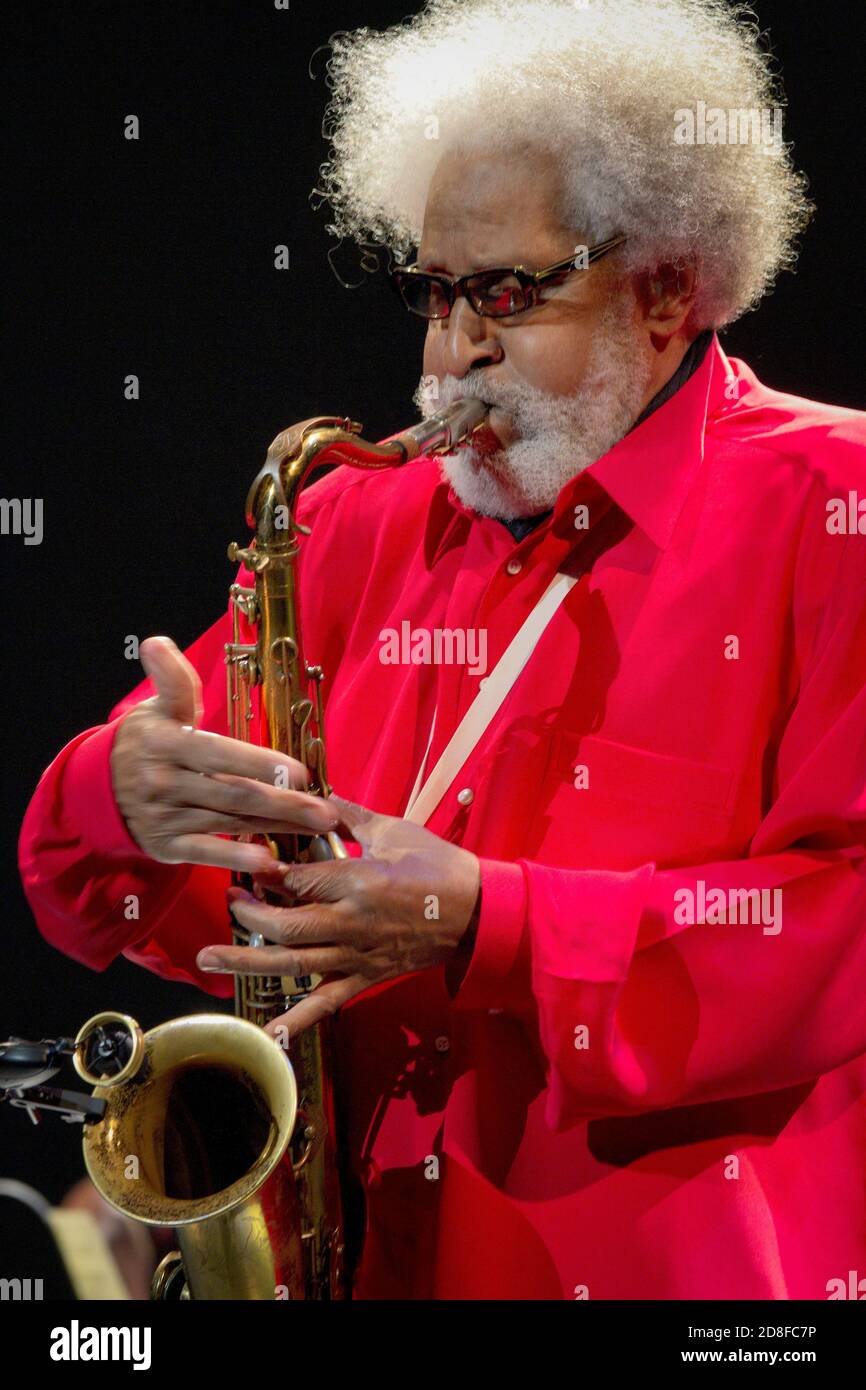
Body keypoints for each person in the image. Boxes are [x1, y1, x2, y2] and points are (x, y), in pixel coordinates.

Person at [19, 0, 866, 1299]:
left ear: (664, 283)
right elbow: (126, 885)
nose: (451, 351)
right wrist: (119, 791)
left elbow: (837, 921)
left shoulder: (833, 504)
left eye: (509, 293)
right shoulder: (352, 516)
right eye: (433, 292)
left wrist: (493, 921)